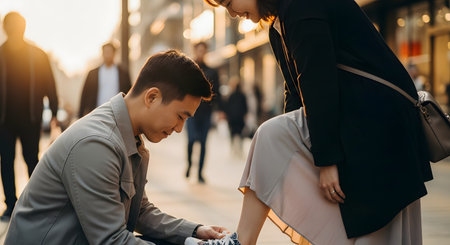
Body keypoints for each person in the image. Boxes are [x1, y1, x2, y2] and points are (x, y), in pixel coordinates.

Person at [185, 0, 433, 244]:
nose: (231, 14)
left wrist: (326, 160)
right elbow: (295, 93)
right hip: (360, 122)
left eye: (229, 3)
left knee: (270, 136)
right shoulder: (278, 26)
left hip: (379, 125)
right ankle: (242, 240)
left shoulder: (301, 6)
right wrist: (302, 155)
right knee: (277, 139)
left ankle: (241, 241)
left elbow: (318, 82)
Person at [5, 50, 228, 245]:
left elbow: (139, 211)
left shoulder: (129, 136)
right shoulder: (96, 144)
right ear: (152, 97)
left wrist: (195, 232)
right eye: (180, 116)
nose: (179, 128)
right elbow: (111, 241)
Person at [0, 12, 59, 221]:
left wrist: (54, 110)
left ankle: (34, 203)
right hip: (4, 119)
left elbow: (49, 84)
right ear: (5, 28)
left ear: (23, 28)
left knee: (32, 160)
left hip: (30, 117)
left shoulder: (37, 55)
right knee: (6, 161)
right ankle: (11, 205)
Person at [185, 41, 221, 183]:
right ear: (195, 51)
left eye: (203, 50)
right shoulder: (188, 69)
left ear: (206, 52)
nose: (201, 52)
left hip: (206, 112)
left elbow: (217, 93)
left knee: (204, 143)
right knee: (192, 140)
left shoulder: (212, 71)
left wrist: (219, 111)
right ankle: (189, 165)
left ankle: (200, 173)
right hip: (190, 112)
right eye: (198, 50)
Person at [78, 42, 132, 118]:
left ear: (114, 53)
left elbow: (129, 93)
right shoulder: (92, 74)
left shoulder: (123, 73)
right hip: (96, 112)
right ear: (102, 54)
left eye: (109, 52)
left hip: (117, 113)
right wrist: (80, 115)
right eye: (105, 52)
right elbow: (84, 95)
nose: (107, 55)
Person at [225, 79, 248, 157]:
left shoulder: (231, 95)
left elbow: (227, 107)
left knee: (232, 134)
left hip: (232, 118)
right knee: (240, 134)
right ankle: (240, 150)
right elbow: (245, 107)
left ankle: (233, 149)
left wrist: (228, 116)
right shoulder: (243, 95)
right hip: (240, 118)